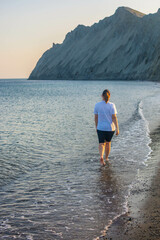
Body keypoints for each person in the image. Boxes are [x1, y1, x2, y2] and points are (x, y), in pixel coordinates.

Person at [94, 89, 119, 166]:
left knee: (101, 143)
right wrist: (117, 128)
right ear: (109, 96)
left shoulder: (97, 105)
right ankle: (106, 158)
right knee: (108, 143)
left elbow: (96, 118)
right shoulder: (112, 105)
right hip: (110, 128)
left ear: (102, 96)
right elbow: (114, 117)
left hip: (100, 128)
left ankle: (101, 156)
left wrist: (96, 127)